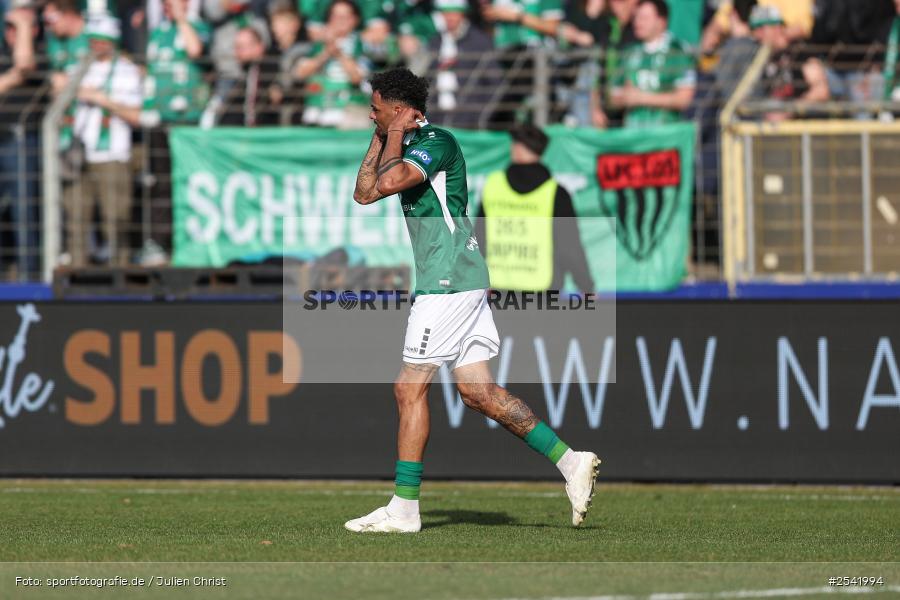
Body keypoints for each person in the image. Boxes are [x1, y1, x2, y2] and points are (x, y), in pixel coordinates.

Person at [347, 68, 601, 533]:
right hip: (459, 278)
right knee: (478, 392)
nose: (371, 112)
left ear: (400, 109)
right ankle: (571, 461)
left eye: (377, 107)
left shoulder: (437, 141)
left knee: (409, 387)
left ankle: (404, 509)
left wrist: (396, 134)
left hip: (447, 279)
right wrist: (381, 135)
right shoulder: (398, 136)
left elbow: (388, 183)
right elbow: (364, 192)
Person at [475, 124, 595, 293]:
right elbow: (569, 247)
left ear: (517, 149)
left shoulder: (493, 186)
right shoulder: (556, 193)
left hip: (498, 292)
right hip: (543, 293)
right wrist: (586, 286)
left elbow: (479, 239)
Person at [65, 14, 142, 266]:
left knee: (116, 218)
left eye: (101, 40)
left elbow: (136, 115)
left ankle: (119, 272)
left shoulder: (126, 71)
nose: (95, 46)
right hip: (77, 155)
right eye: (92, 41)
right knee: (76, 218)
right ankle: (75, 274)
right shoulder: (78, 68)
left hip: (112, 154)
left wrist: (101, 99)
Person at [0, 5, 42, 277]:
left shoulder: (41, 52)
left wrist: (25, 26)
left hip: (22, 140)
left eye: (19, 27)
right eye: (9, 27)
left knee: (24, 213)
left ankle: (29, 276)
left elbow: (24, 65)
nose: (12, 33)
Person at [610, 0, 696, 128]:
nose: (637, 22)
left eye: (644, 17)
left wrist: (642, 98)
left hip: (665, 135)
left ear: (662, 22)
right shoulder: (629, 52)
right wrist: (624, 97)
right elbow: (613, 98)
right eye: (636, 17)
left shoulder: (678, 51)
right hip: (633, 135)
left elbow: (684, 99)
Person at [295, 0, 371, 128]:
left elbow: (357, 77)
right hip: (319, 107)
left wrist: (338, 54)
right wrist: (325, 52)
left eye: (345, 16)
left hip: (350, 108)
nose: (340, 21)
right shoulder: (320, 44)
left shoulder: (361, 44)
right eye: (336, 16)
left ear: (355, 19)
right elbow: (300, 73)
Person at [426, 0, 499, 129]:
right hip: (436, 116)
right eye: (445, 13)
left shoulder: (480, 41)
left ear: (463, 14)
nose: (449, 17)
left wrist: (480, 114)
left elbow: (494, 81)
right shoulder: (434, 41)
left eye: (454, 12)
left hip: (468, 118)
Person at [213, 24, 281, 125]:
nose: (237, 53)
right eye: (236, 47)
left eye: (241, 47)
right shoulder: (245, 75)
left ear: (259, 47)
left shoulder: (271, 71)